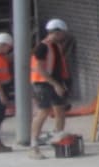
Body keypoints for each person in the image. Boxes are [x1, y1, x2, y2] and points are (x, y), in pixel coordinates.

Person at [31, 17, 76, 146]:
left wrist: (62, 83)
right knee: (44, 111)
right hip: (42, 84)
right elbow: (40, 69)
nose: (64, 36)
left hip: (54, 83)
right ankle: (34, 141)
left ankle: (58, 136)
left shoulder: (55, 46)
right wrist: (56, 84)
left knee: (60, 110)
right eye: (62, 33)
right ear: (56, 32)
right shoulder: (42, 47)